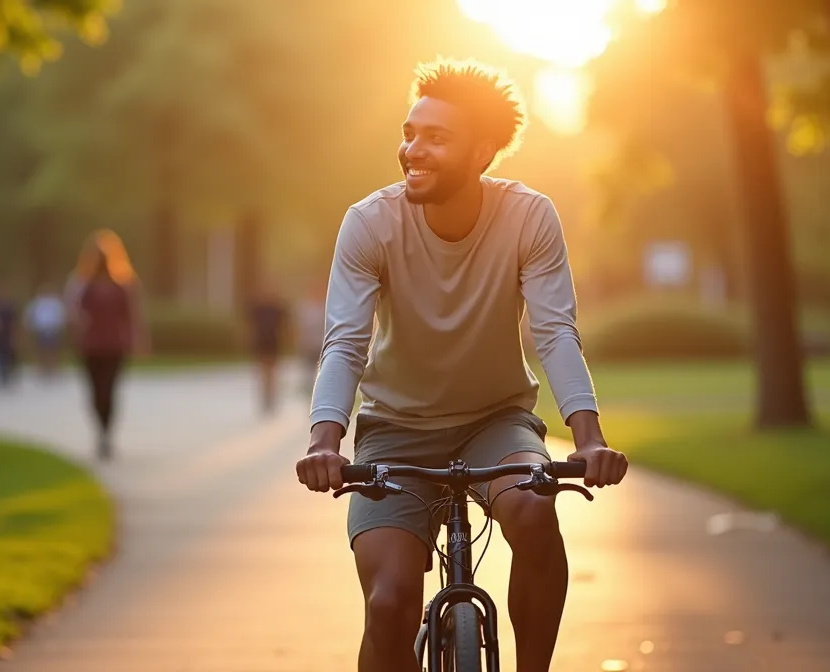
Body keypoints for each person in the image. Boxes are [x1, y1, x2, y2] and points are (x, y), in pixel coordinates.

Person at [294, 58, 629, 672]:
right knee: (390, 603)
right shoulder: (370, 223)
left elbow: (554, 333)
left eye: (436, 139)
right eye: (410, 133)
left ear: (481, 153)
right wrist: (325, 442)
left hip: (495, 421)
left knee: (532, 511)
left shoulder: (529, 217)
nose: (412, 150)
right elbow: (345, 343)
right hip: (395, 429)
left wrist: (590, 439)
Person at [66, 229, 144, 461]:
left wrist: (136, 340)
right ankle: (101, 430)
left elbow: (131, 316)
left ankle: (106, 433)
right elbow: (73, 312)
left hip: (113, 346)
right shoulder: (83, 285)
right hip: (91, 346)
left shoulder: (123, 286)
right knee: (96, 391)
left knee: (109, 390)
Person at [245, 281, 289, 415]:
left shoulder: (278, 308)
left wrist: (287, 340)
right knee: (263, 372)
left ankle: (272, 398)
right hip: (261, 342)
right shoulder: (256, 308)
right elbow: (249, 325)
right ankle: (265, 398)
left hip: (273, 341)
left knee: (272, 373)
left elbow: (285, 326)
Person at [25, 282, 68, 378]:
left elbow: (62, 316)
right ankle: (42, 368)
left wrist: (61, 327)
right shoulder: (36, 302)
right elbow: (30, 315)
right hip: (41, 330)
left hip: (54, 329)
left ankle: (53, 368)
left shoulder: (56, 303)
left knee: (53, 350)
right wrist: (29, 327)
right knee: (41, 349)